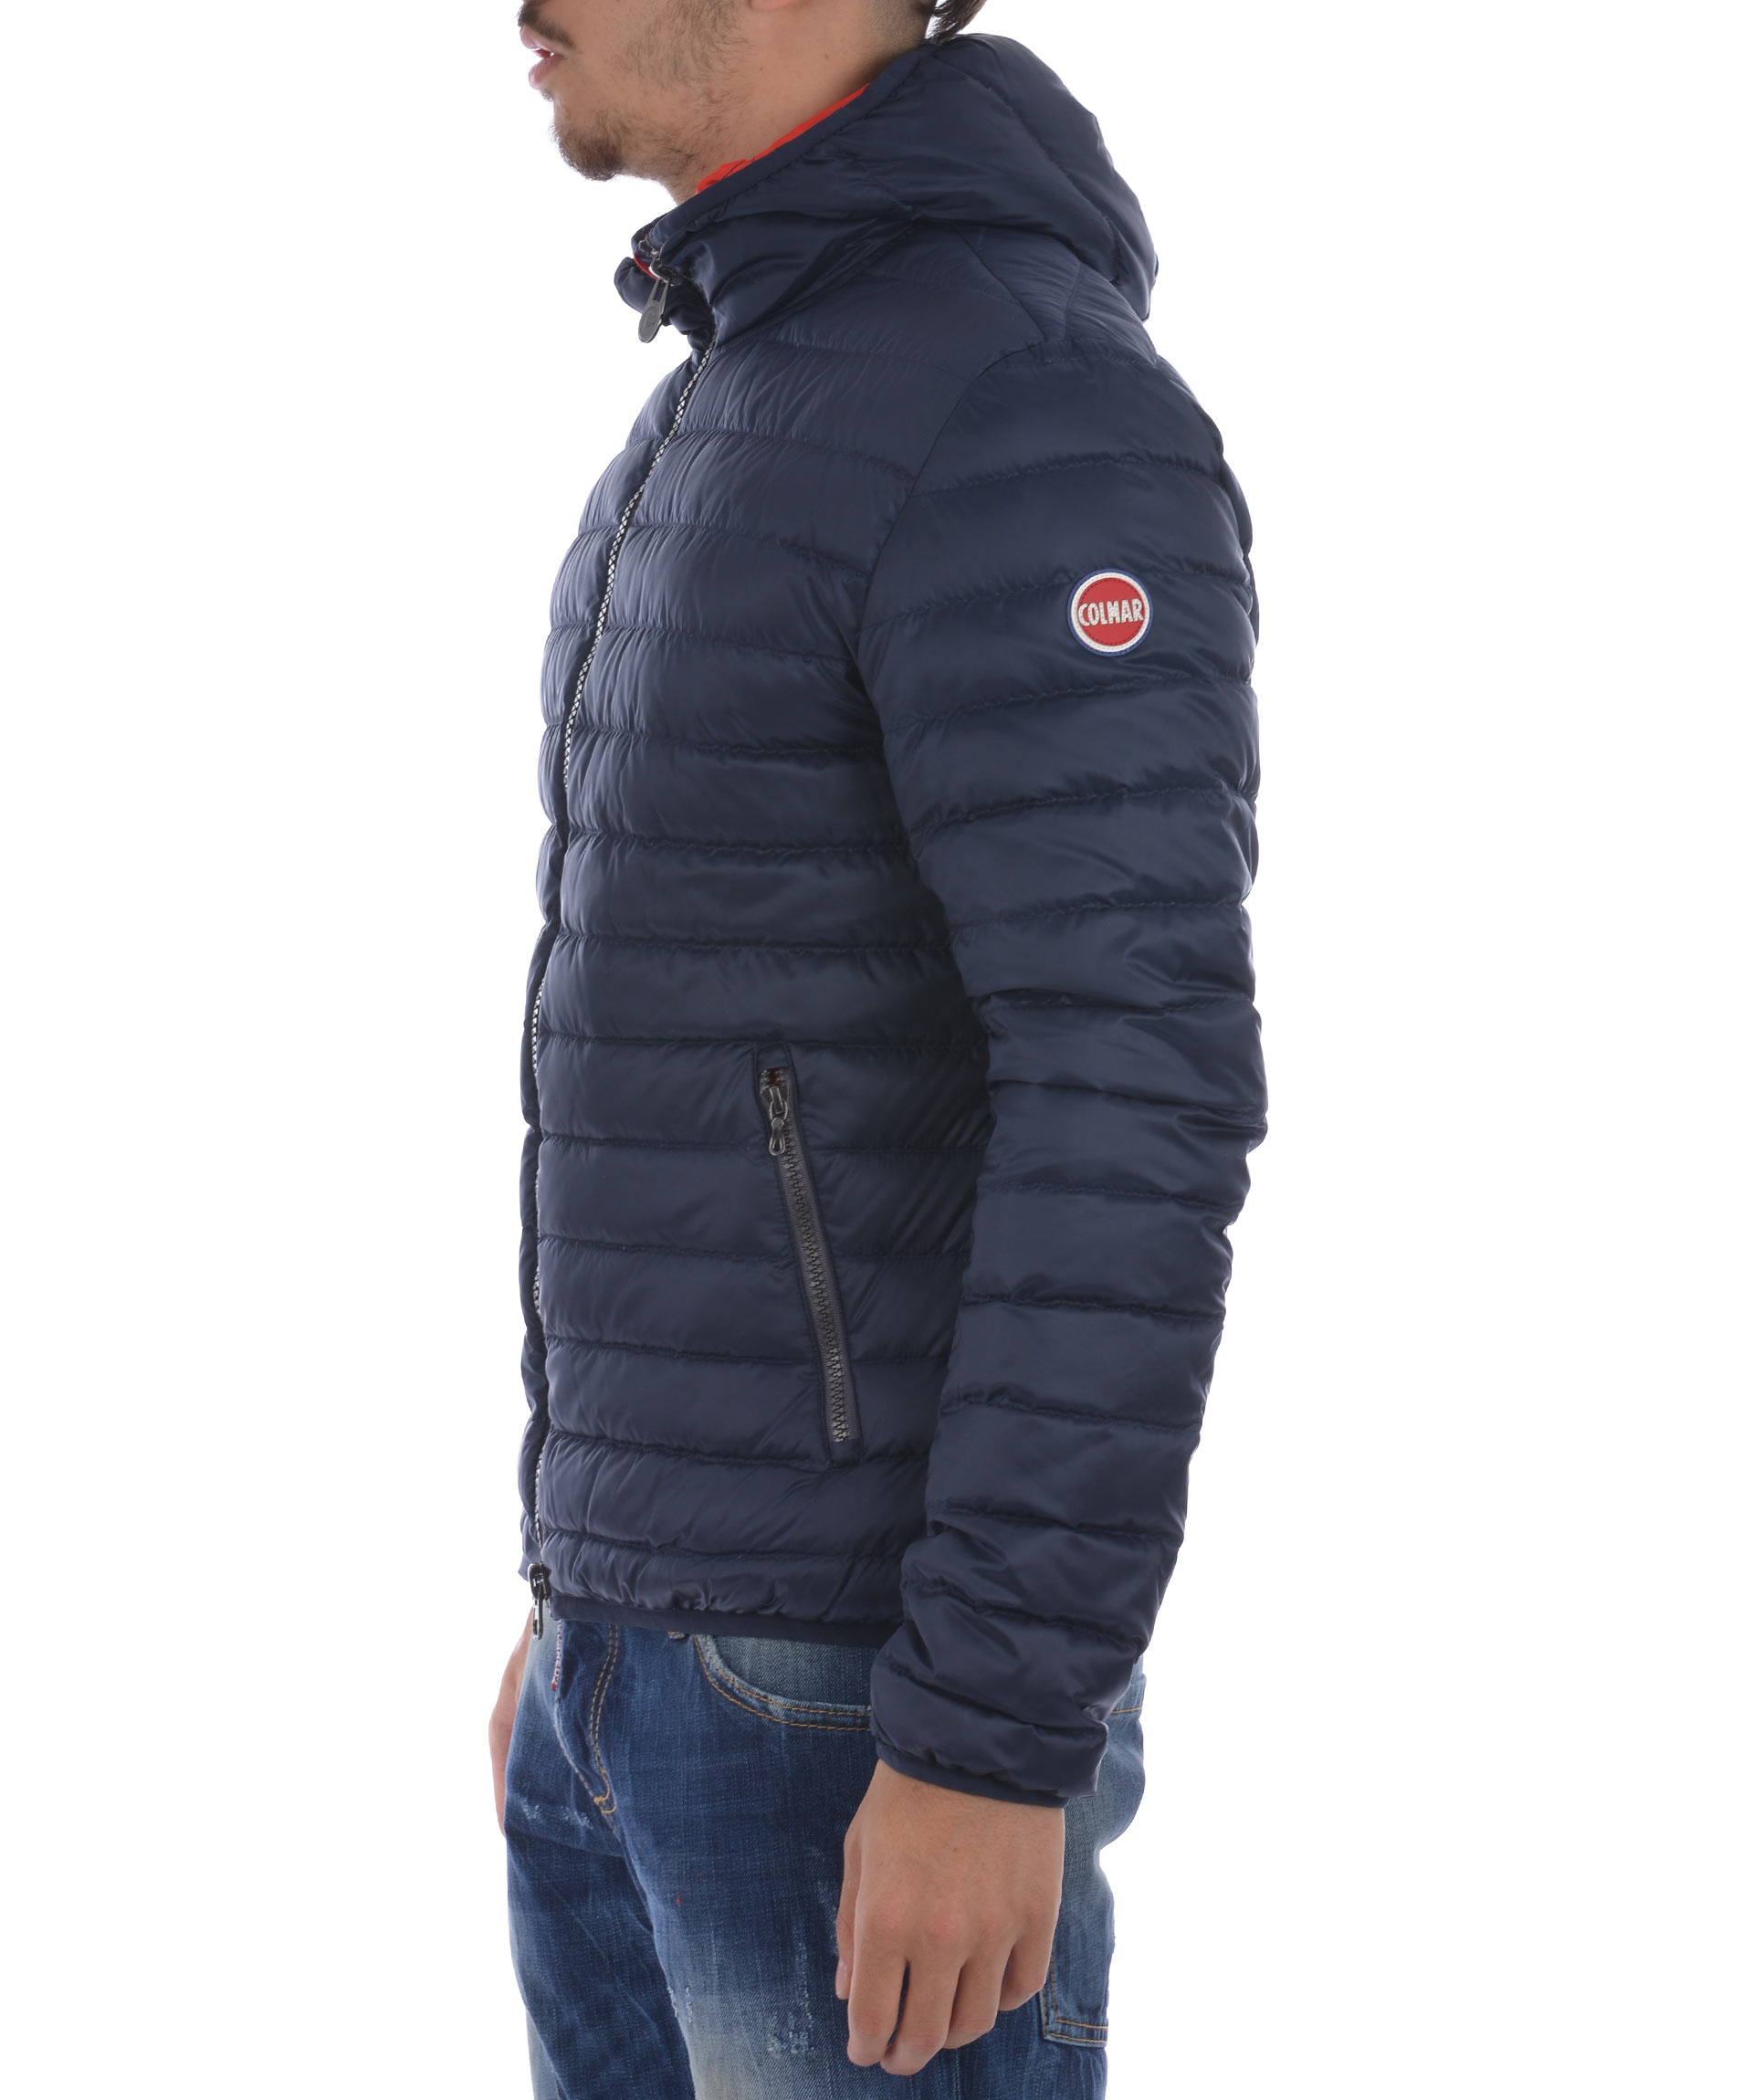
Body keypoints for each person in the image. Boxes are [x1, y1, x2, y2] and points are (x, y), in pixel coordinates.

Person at [488, 1, 1265, 2091]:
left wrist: (990, 1737)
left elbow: (1132, 1088)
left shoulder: (1023, 406)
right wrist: (590, 1614)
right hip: (643, 1678)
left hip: (861, 1716)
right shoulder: (737, 397)